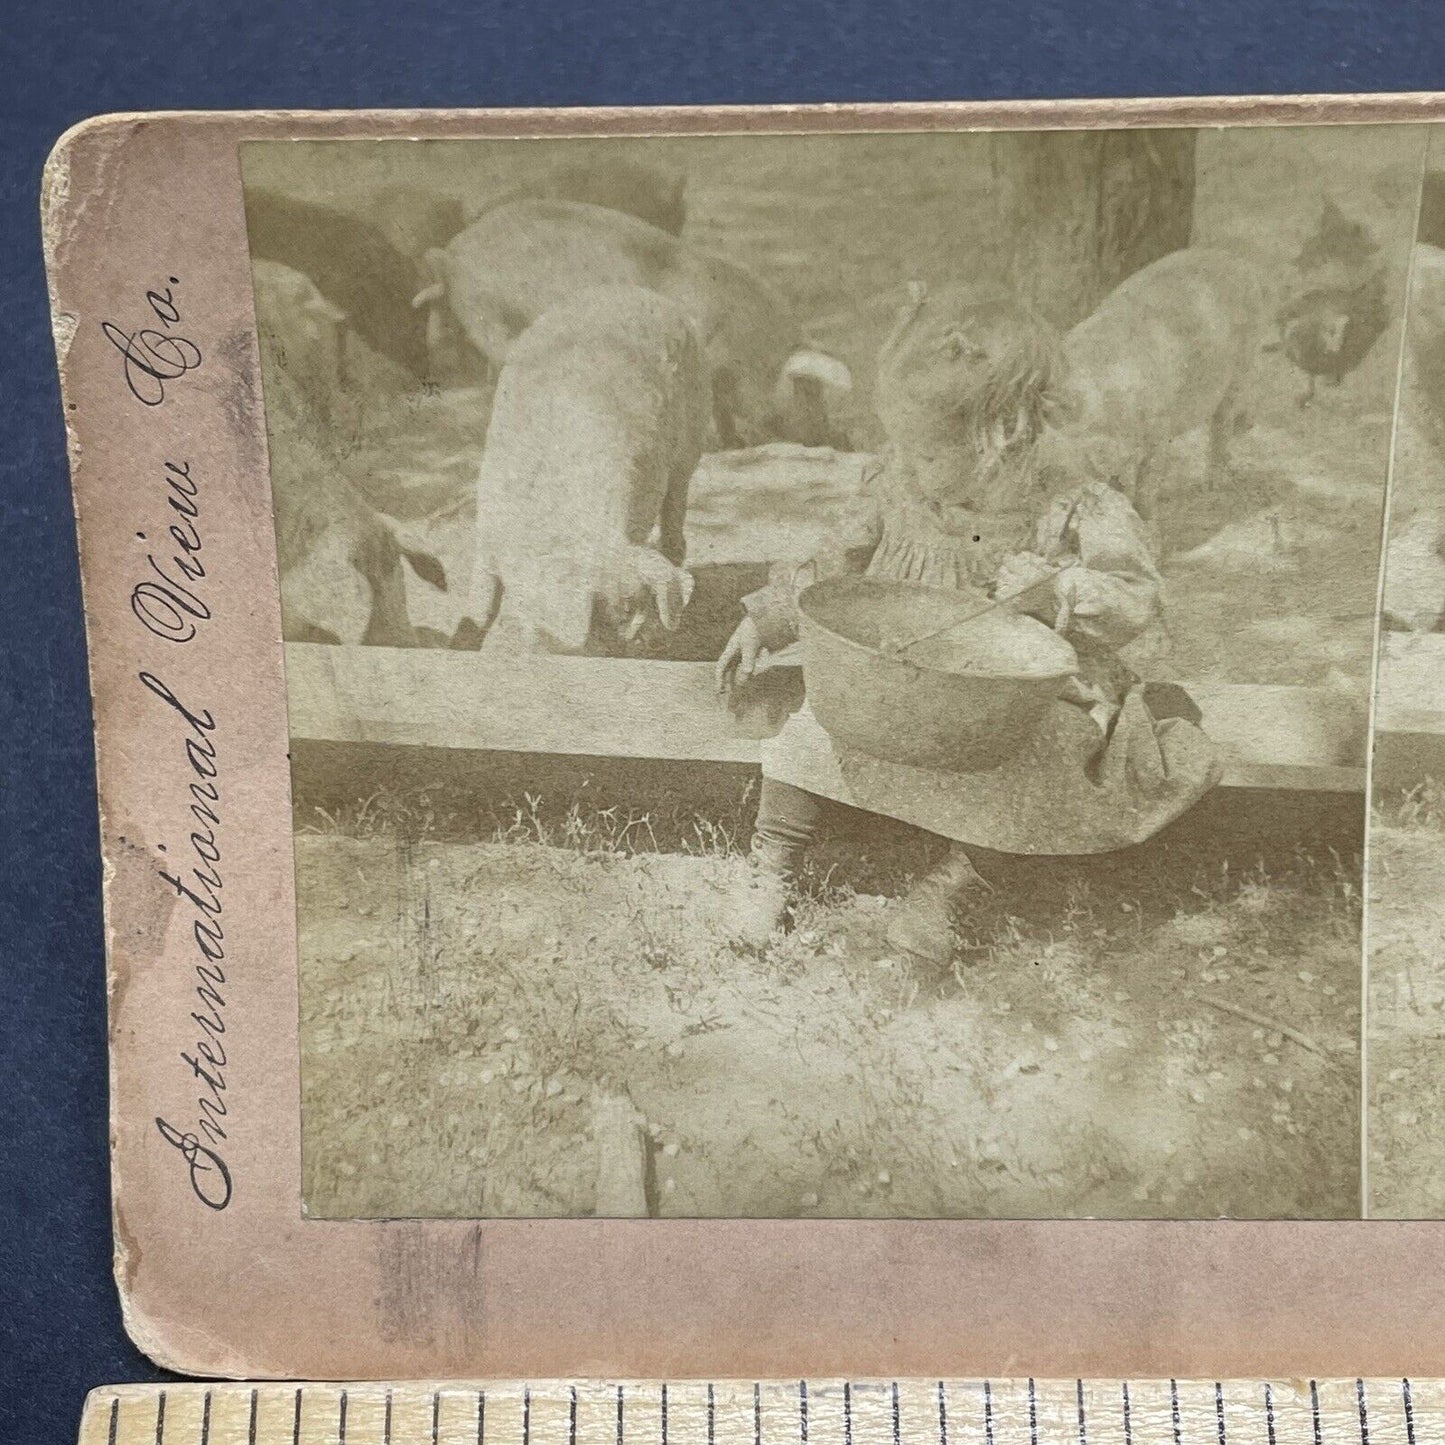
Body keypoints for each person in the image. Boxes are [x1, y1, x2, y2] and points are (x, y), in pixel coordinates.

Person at [715, 282, 1220, 970]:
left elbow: (1137, 595)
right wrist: (771, 616)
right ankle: (771, 861)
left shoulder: (1069, 494)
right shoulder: (904, 477)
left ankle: (954, 885)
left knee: (1043, 761)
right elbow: (839, 558)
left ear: (996, 439)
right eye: (906, 454)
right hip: (907, 673)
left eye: (926, 455)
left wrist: (1059, 592)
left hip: (1017, 696)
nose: (912, 472)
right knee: (808, 728)